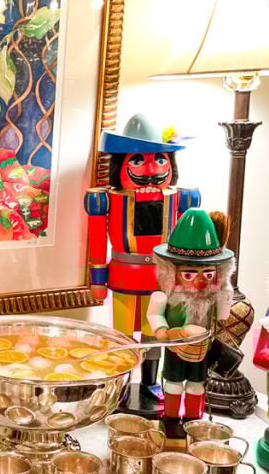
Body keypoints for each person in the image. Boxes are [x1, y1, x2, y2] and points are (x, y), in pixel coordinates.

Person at [84, 113, 200, 413]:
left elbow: (190, 241)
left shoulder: (181, 198)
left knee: (155, 332)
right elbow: (97, 241)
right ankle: (121, 384)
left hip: (161, 279)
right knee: (123, 335)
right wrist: (97, 281)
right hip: (124, 277)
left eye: (160, 160)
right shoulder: (106, 199)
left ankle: (150, 381)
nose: (151, 169)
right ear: (119, 165)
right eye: (137, 160)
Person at [148, 209, 235, 440]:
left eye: (208, 274)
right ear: (171, 272)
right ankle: (170, 420)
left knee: (197, 385)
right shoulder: (164, 295)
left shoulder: (215, 294)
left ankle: (193, 421)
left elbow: (224, 316)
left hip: (202, 349)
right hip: (176, 346)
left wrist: (224, 289)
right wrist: (162, 330)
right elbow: (155, 314)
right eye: (188, 274)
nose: (199, 281)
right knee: (173, 384)